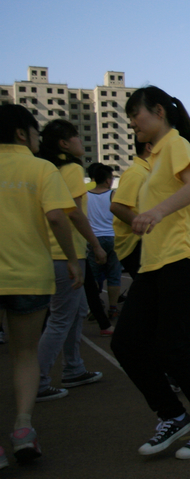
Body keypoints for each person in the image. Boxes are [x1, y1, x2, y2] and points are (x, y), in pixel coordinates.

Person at [110, 86, 190, 459]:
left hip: (184, 258)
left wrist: (157, 212)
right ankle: (174, 415)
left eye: (136, 115)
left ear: (159, 112)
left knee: (172, 349)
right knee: (126, 343)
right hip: (154, 264)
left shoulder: (175, 143)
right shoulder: (151, 162)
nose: (133, 123)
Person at [0, 105, 82, 465]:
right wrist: (71, 257)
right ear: (22, 133)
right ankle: (22, 428)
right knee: (23, 354)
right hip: (27, 274)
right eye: (35, 132)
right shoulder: (40, 168)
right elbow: (57, 216)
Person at [36, 119, 106, 402]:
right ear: (64, 143)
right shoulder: (73, 170)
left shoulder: (49, 169)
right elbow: (75, 213)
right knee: (61, 318)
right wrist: (95, 244)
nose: (80, 141)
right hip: (67, 253)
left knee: (75, 311)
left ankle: (74, 367)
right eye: (76, 136)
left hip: (54, 251)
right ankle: (38, 379)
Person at [86, 163, 124, 327]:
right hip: (112, 237)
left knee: (93, 276)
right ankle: (113, 308)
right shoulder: (112, 195)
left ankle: (96, 306)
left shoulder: (85, 195)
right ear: (108, 180)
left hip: (94, 239)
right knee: (114, 274)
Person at [110, 138, 151, 282]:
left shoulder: (147, 172)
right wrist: (145, 226)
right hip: (135, 244)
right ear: (149, 147)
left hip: (141, 242)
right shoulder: (137, 173)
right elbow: (117, 206)